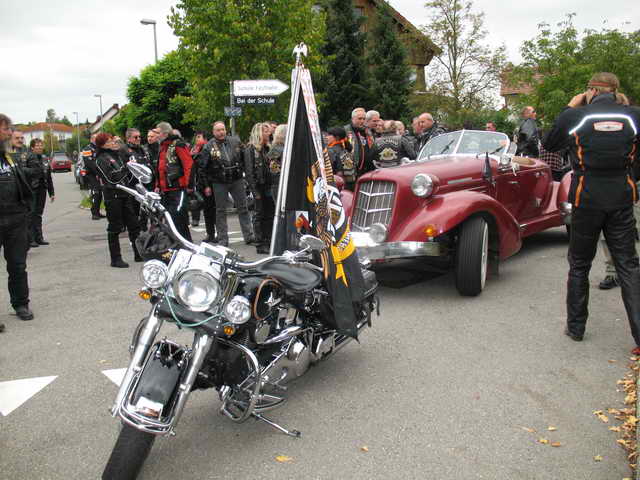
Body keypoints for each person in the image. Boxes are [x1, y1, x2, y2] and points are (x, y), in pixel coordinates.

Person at [542, 72, 640, 353]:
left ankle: (576, 328)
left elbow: (549, 143)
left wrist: (569, 107)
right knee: (628, 265)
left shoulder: (577, 115)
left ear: (592, 90)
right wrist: (630, 177)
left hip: (586, 197)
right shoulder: (633, 116)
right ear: (615, 90)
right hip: (621, 196)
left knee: (579, 264)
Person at [0, 113, 35, 324]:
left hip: (16, 219)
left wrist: (26, 211)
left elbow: (22, 184)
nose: (9, 133)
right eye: (6, 129)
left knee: (17, 265)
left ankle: (21, 303)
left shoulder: (9, 157)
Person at [199, 121, 253, 247]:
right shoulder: (208, 147)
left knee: (243, 208)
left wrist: (246, 175)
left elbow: (244, 158)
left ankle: (249, 236)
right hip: (219, 182)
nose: (221, 132)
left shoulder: (235, 141)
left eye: (223, 129)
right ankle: (223, 239)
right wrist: (206, 185)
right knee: (220, 211)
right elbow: (202, 168)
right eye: (218, 130)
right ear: (213, 132)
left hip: (237, 179)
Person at [94, 133, 142, 268]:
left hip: (125, 194)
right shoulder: (100, 159)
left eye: (114, 141)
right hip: (112, 196)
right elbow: (110, 178)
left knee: (134, 225)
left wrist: (132, 169)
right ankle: (115, 258)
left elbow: (125, 176)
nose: (114, 143)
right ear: (103, 145)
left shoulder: (117, 156)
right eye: (111, 141)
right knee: (115, 227)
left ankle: (138, 253)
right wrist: (125, 168)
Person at [156, 122, 194, 242]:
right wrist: (158, 185)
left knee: (178, 219)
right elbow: (160, 169)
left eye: (157, 132)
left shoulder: (178, 144)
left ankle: (186, 245)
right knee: (171, 221)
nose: (156, 135)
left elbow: (188, 165)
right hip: (166, 191)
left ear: (165, 133)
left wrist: (189, 185)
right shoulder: (163, 147)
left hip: (178, 189)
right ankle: (177, 245)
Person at [244, 122, 273, 254]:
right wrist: (254, 191)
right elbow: (249, 172)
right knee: (259, 214)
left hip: (268, 185)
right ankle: (260, 243)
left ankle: (268, 239)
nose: (268, 133)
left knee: (269, 214)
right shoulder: (250, 149)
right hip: (258, 186)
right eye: (265, 131)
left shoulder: (268, 148)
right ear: (259, 133)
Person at [27, 139, 54, 245]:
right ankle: (31, 239)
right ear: (32, 147)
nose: (39, 147)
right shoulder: (28, 158)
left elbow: (48, 176)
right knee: (31, 213)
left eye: (41, 145)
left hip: (42, 189)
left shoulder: (45, 158)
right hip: (32, 189)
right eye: (37, 145)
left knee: (38, 214)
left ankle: (39, 237)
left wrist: (51, 192)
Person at [344, 107, 374, 186]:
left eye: (364, 119)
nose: (362, 121)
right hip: (352, 171)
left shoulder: (368, 132)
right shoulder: (345, 131)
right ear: (352, 119)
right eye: (359, 119)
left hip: (368, 170)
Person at [81, 134, 105, 220]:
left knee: (100, 193)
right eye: (96, 138)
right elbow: (89, 163)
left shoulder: (98, 148)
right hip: (91, 174)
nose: (97, 140)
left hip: (98, 174)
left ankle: (97, 212)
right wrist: (98, 173)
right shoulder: (87, 149)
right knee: (96, 192)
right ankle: (94, 213)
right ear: (91, 139)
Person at [268, 124, 287, 201]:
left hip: (280, 183)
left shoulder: (279, 147)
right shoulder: (276, 149)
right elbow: (274, 169)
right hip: (279, 184)